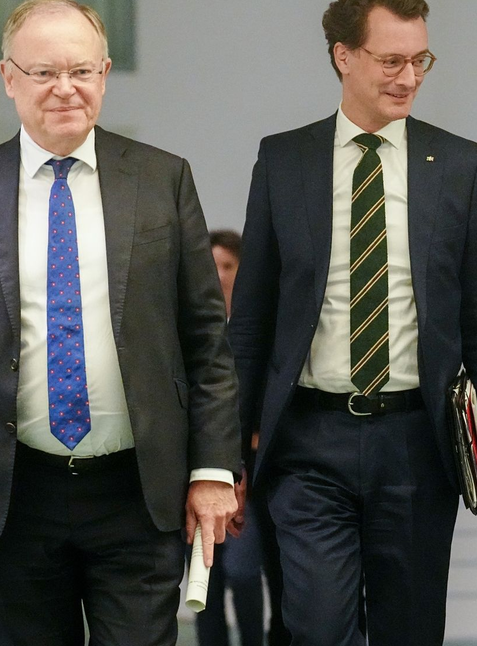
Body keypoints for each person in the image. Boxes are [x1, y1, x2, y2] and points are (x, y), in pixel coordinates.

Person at [0, 0, 240, 646]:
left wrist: (213, 469)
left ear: (105, 74)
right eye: (43, 72)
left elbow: (207, 342)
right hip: (11, 494)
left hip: (137, 493)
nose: (65, 89)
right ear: (8, 78)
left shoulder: (163, 181)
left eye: (82, 71)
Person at [226, 0, 477, 645]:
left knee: (409, 628)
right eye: (392, 60)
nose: (409, 76)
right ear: (344, 56)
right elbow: (250, 319)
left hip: (416, 438)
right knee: (318, 622)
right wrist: (227, 450)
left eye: (421, 59)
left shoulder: (458, 164)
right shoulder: (284, 160)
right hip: (306, 440)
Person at [195, 229, 268, 646]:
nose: (218, 275)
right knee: (205, 576)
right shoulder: (189, 329)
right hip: (197, 468)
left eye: (228, 266)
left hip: (248, 470)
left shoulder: (255, 330)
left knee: (241, 569)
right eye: (212, 266)